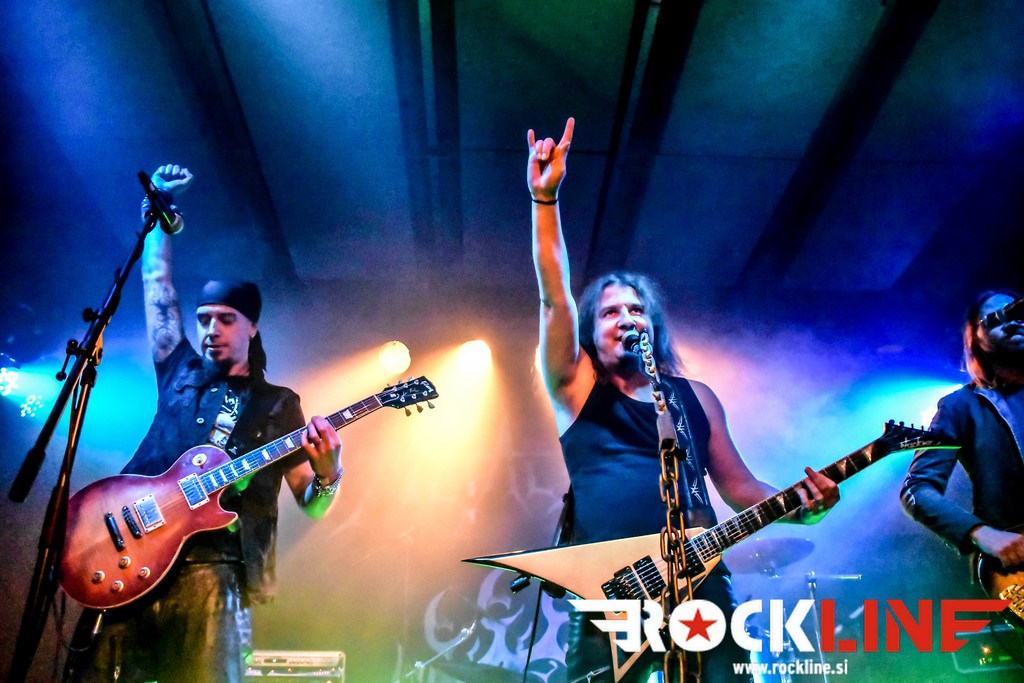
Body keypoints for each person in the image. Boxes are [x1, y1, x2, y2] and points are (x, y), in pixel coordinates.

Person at [527, 118, 841, 682]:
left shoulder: (695, 397)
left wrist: (803, 505)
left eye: (637, 309)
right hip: (610, 591)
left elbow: (740, 488)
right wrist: (545, 200)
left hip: (701, 584)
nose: (627, 318)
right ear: (590, 332)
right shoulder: (576, 388)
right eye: (610, 312)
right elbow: (554, 299)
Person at [64, 164, 344, 683]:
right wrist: (158, 215)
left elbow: (313, 503)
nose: (210, 329)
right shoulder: (179, 369)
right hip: (129, 556)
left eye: (225, 319)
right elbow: (157, 287)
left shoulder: (278, 405)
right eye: (204, 319)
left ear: (252, 326)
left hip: (214, 573)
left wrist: (329, 474)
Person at [901, 290, 1024, 571]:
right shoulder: (960, 405)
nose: (1013, 322)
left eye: (1018, 314)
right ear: (975, 338)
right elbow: (917, 489)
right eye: (996, 318)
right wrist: (983, 534)